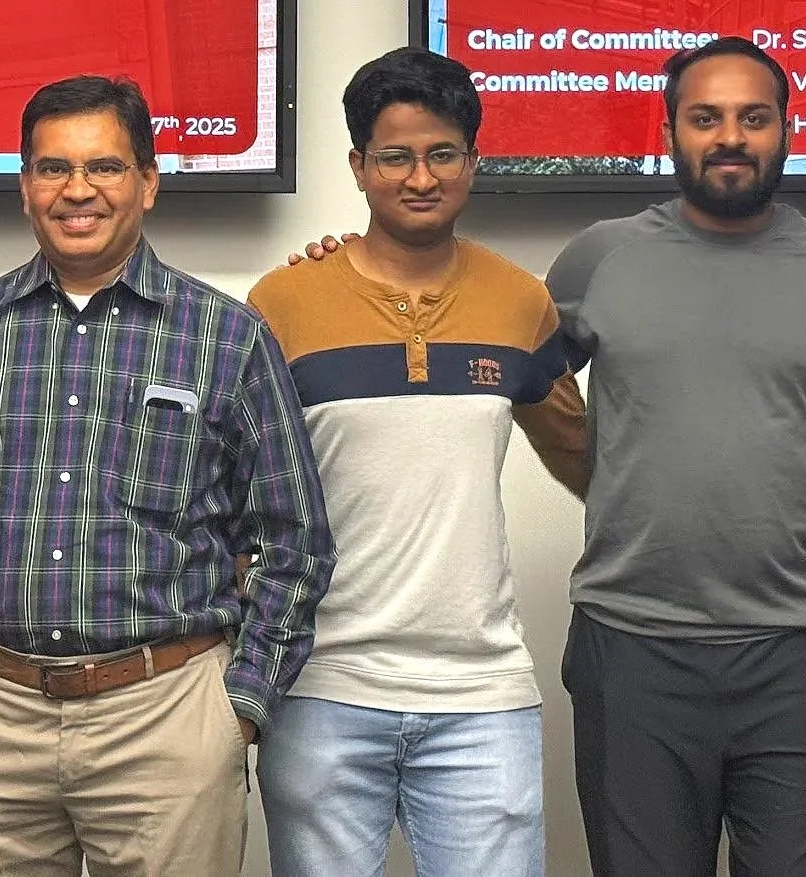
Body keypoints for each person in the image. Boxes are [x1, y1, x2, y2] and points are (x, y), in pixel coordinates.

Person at [0, 73, 333, 877]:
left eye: (105, 167)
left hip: (166, 719)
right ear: (25, 187)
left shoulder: (227, 339)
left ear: (148, 182)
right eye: (53, 168)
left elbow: (296, 543)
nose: (77, 190)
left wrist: (240, 706)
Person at [550, 36, 806, 877]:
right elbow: (524, 381)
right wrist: (605, 476)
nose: (730, 137)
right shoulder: (599, 257)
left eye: (753, 118)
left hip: (798, 654)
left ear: (785, 131)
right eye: (706, 118)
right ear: (670, 133)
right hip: (631, 647)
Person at [249, 47, 587, 877]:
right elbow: (235, 495)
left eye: (443, 154)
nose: (421, 178)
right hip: (321, 684)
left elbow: (589, 462)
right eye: (395, 157)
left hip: (482, 695)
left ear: (473, 161)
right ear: (359, 166)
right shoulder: (282, 303)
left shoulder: (521, 299)